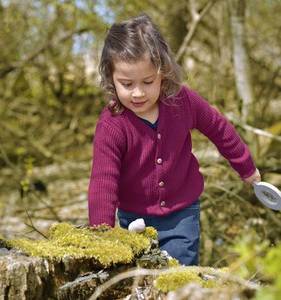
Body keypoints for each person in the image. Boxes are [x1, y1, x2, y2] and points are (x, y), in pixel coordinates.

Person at [88, 13, 261, 266]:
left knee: (179, 276)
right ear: (111, 78)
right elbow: (103, 181)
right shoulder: (112, 124)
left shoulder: (183, 102)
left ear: (162, 73)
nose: (137, 93)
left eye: (148, 81)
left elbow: (218, 128)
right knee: (138, 280)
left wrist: (246, 166)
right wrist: (102, 235)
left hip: (182, 213)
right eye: (126, 84)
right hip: (134, 219)